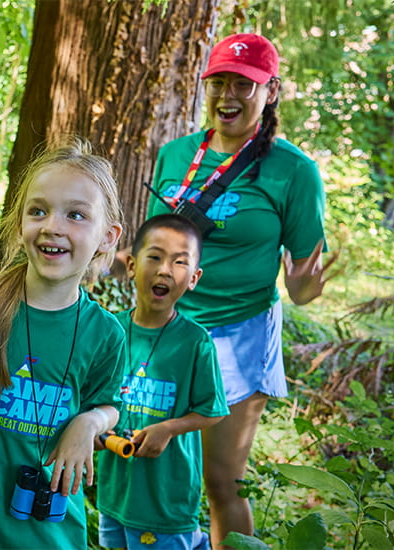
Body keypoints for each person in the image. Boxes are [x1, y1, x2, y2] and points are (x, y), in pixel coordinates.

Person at [142, 33, 338, 547]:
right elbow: (154, 245)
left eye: (244, 85)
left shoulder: (294, 171)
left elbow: (301, 286)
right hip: (165, 331)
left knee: (221, 480)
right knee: (156, 467)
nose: (229, 94)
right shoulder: (175, 155)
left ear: (270, 91)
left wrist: (302, 286)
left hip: (239, 333)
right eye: (220, 81)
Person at [0, 139, 129, 548]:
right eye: (38, 211)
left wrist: (89, 422)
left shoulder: (105, 333)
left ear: (107, 236)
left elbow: (108, 404)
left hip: (49, 533)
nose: (53, 226)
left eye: (75, 215)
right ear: (19, 223)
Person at [96, 214, 228, 550]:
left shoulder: (194, 342)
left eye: (179, 262)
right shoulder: (110, 331)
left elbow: (212, 411)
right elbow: (94, 398)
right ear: (130, 265)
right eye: (154, 257)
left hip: (166, 501)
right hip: (115, 493)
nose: (165, 270)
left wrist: (168, 429)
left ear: (194, 278)